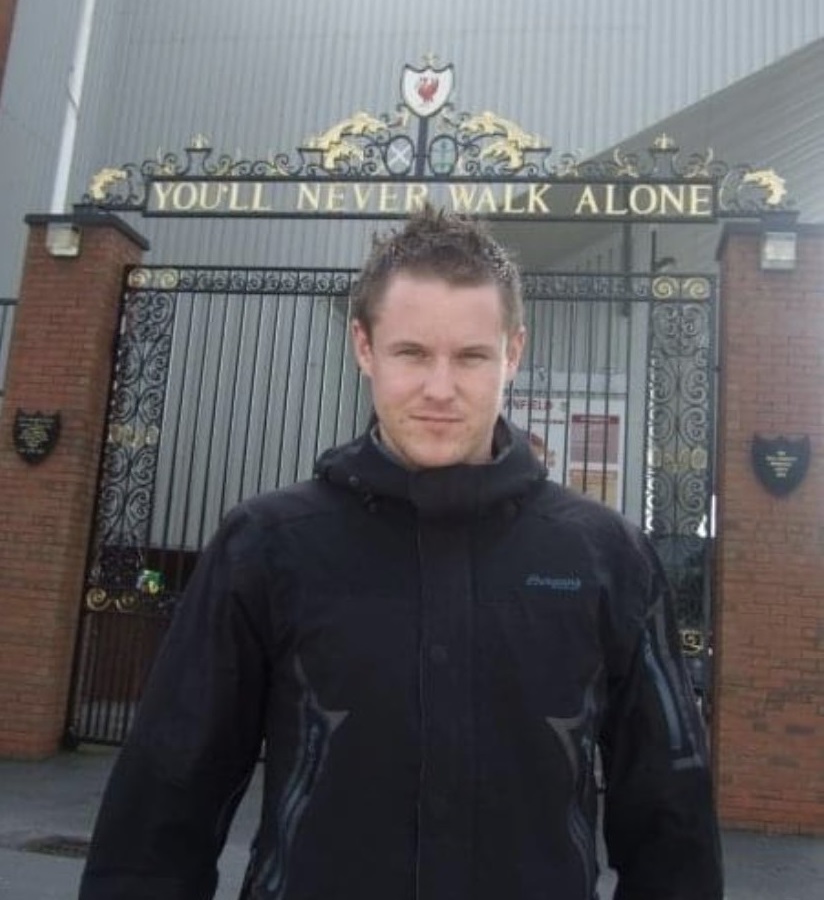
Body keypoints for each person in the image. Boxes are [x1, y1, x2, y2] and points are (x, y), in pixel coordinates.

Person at [78, 206, 724, 900]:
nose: (439, 389)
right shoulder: (267, 546)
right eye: (412, 353)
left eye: (471, 356)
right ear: (364, 346)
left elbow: (672, 825)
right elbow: (163, 808)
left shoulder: (608, 556)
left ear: (513, 352)